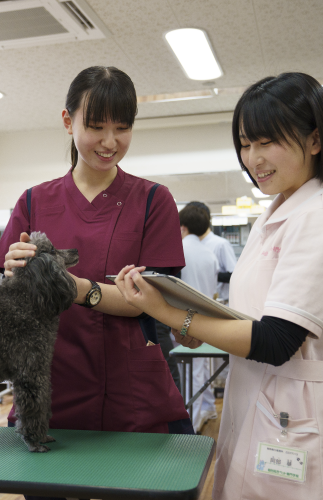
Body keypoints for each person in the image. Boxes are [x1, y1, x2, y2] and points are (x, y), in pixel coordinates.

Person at [115, 72, 323, 499]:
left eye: (267, 142)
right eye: (246, 144)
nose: (253, 158)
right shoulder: (274, 215)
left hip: (291, 418)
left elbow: (276, 339)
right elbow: (251, 318)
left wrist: (171, 313)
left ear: (316, 140)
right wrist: (195, 324)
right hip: (256, 402)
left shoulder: (315, 216)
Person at [0, 65, 192, 479]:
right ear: (68, 121)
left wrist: (77, 288)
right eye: (96, 126)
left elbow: (151, 301)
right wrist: (13, 276)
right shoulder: (33, 201)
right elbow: (11, 300)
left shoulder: (154, 200)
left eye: (122, 127)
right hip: (51, 383)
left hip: (131, 395)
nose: (110, 142)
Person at [178, 205, 219, 432]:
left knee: (188, 373)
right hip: (206, 320)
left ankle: (191, 424)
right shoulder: (209, 253)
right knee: (201, 369)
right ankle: (207, 410)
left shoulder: (178, 249)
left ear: (182, 227)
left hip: (181, 320)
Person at [187, 201, 237, 304]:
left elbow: (234, 275)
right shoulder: (190, 245)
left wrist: (209, 273)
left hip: (219, 302)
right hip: (197, 302)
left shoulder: (221, 244)